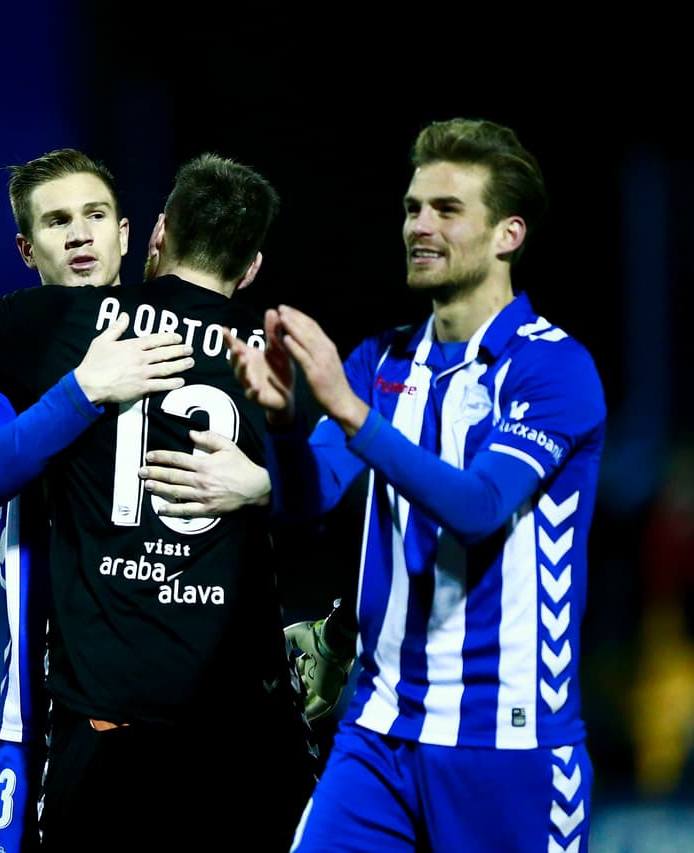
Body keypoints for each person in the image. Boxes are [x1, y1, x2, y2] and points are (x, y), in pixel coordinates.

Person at [0, 152, 318, 851]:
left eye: (94, 215)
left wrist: (266, 483)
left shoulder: (187, 341)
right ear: (26, 248)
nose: (79, 235)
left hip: (165, 710)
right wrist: (83, 388)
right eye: (56, 221)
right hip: (41, 703)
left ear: (135, 235)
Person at [224, 117, 605, 852]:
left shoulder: (552, 368)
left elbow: (479, 507)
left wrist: (351, 412)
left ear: (508, 235)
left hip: (507, 743)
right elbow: (309, 499)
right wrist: (283, 422)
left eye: (446, 209)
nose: (419, 226)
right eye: (412, 208)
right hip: (379, 731)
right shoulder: (382, 360)